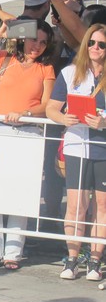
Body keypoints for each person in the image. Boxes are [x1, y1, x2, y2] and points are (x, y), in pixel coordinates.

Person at [0, 20, 56, 270]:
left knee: (21, 193)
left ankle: (13, 253)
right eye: (33, 39)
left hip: (29, 132)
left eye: (42, 42)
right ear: (23, 37)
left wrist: (25, 112)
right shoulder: (5, 58)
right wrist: (0, 32)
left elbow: (48, 104)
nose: (36, 46)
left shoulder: (46, 68)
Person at [46, 24, 106, 281]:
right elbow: (51, 108)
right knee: (76, 205)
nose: (96, 48)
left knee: (102, 206)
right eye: (92, 43)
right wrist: (64, 118)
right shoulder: (70, 73)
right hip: (76, 145)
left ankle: (95, 259)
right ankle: (72, 257)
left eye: (102, 44)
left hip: (103, 147)